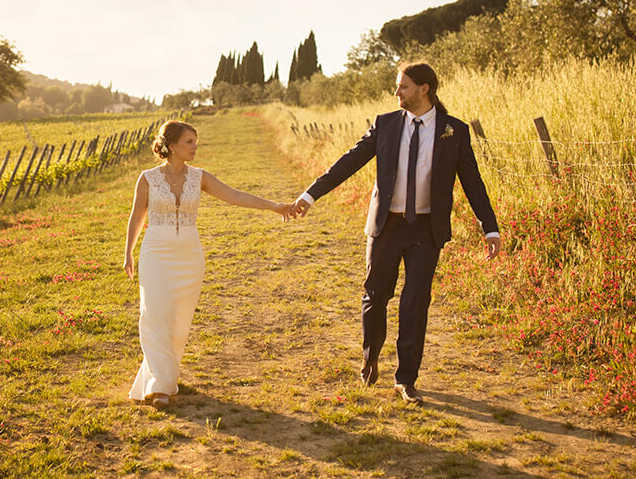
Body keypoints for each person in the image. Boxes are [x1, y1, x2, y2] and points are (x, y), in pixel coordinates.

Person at [292, 62, 500, 405]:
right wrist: (310, 195)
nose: (396, 92)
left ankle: (406, 378)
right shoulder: (386, 125)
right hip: (386, 225)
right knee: (375, 295)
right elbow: (349, 161)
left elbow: (473, 182)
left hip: (426, 228)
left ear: (424, 89)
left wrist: (489, 227)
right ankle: (370, 356)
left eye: (403, 86)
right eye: (397, 86)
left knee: (416, 302)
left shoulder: (453, 130)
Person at [124, 120, 294, 409]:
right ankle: (161, 387)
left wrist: (274, 206)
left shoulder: (199, 177)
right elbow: (137, 215)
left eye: (195, 141)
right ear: (172, 145)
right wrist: (128, 252)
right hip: (156, 253)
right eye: (189, 142)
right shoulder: (148, 178)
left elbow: (235, 195)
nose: (195, 147)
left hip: (189, 256)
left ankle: (162, 377)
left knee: (178, 321)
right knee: (153, 314)